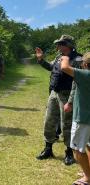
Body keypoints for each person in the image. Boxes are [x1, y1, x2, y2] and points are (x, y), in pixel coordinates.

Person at [35, 35, 82, 165]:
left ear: (68, 45)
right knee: (49, 120)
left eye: (60, 44)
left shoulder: (78, 59)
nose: (58, 46)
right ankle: (48, 148)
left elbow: (78, 82)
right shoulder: (58, 57)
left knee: (66, 124)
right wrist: (40, 60)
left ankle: (69, 153)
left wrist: (71, 101)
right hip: (54, 94)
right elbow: (51, 68)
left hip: (67, 95)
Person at [61, 52, 90, 185]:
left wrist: (65, 57)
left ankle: (88, 178)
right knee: (88, 146)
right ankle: (87, 171)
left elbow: (64, 67)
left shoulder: (86, 75)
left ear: (85, 64)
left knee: (77, 149)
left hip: (83, 119)